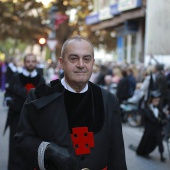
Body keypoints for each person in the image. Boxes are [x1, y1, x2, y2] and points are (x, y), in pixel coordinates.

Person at [15, 36, 127, 170]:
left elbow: (117, 154)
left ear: (93, 63)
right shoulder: (39, 96)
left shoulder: (108, 100)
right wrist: (49, 150)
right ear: (61, 63)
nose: (81, 64)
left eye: (86, 59)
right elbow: (22, 140)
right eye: (73, 58)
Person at [4, 53, 45, 170]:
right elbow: (8, 94)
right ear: (24, 62)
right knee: (14, 145)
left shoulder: (41, 80)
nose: (30, 63)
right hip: (16, 118)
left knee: (31, 147)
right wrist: (9, 101)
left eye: (33, 61)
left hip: (34, 120)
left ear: (36, 63)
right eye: (28, 61)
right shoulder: (16, 78)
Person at [129, 90, 167, 162]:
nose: (156, 102)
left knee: (159, 141)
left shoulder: (159, 108)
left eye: (158, 100)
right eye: (155, 100)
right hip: (150, 128)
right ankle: (142, 151)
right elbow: (151, 118)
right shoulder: (147, 108)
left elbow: (163, 116)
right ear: (152, 100)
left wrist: (163, 119)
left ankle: (161, 155)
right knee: (146, 141)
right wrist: (159, 120)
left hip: (157, 128)